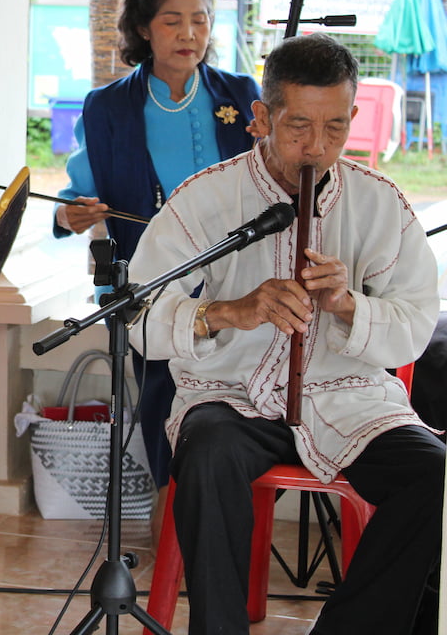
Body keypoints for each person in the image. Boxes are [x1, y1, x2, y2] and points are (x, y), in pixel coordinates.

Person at [128, 32, 444, 635]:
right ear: (262, 118)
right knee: (208, 454)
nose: (315, 148)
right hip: (232, 395)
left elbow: (414, 325)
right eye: (298, 126)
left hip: (346, 396)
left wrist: (349, 305)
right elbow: (139, 313)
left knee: (436, 474)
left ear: (353, 118)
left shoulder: (381, 205)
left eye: (334, 128)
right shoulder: (208, 198)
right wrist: (229, 312)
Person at [54, 0, 261, 497]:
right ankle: (175, 533)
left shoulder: (241, 95)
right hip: (151, 290)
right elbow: (76, 197)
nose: (189, 34)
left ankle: (220, 525)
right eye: (172, 20)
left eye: (201, 19)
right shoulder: (108, 108)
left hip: (240, 285)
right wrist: (70, 213)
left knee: (234, 416)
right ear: (144, 28)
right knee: (161, 410)